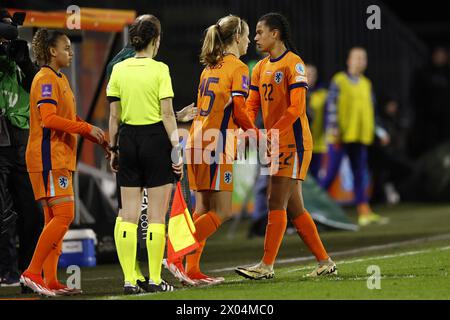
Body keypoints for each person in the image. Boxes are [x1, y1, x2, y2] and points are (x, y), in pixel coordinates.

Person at [235, 13, 336, 280]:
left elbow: (297, 107)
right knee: (294, 208)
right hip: (275, 142)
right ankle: (325, 261)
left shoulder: (294, 64)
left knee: (275, 199)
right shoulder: (258, 68)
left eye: (259, 32)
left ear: (275, 34)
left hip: (295, 142)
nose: (255, 37)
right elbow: (252, 105)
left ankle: (266, 266)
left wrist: (271, 132)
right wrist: (248, 129)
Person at [106, 14, 197, 292]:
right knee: (157, 216)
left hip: (128, 140)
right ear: (155, 41)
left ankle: (129, 281)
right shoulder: (160, 69)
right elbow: (167, 114)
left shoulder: (119, 70)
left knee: (128, 215)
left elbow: (113, 116)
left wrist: (113, 148)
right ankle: (156, 280)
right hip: (156, 139)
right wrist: (176, 151)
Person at [164, 14, 257, 285]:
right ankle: (173, 255)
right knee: (222, 211)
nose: (250, 41)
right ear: (237, 37)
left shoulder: (209, 68)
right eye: (247, 35)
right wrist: (254, 134)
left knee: (203, 209)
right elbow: (239, 109)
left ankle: (191, 269)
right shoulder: (238, 68)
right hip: (215, 144)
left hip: (195, 141)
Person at [19, 29, 109, 297]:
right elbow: (48, 119)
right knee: (65, 215)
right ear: (51, 52)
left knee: (54, 220)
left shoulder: (60, 79)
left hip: (59, 157)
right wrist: (84, 130)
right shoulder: (46, 78)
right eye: (66, 47)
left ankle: (50, 279)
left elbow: (70, 117)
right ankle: (31, 273)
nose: (71, 52)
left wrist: (97, 135)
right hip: (48, 158)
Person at [320, 47, 390, 227]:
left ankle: (364, 212)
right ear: (349, 61)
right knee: (330, 175)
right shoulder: (339, 80)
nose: (360, 61)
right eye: (357, 58)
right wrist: (334, 128)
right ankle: (313, 211)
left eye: (363, 58)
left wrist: (380, 131)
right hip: (340, 136)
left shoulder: (367, 83)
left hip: (359, 136)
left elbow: (372, 111)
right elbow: (332, 105)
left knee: (360, 174)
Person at [0, 8, 44, 290]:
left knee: (32, 213)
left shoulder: (20, 55)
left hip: (23, 140)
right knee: (3, 213)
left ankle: (29, 270)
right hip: (0, 140)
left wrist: (25, 62)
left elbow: (38, 88)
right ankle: (7, 271)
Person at [305, 64, 328, 181]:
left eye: (313, 75)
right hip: (301, 143)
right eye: (308, 74)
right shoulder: (295, 92)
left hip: (318, 142)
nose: (310, 77)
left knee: (315, 175)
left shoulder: (323, 95)